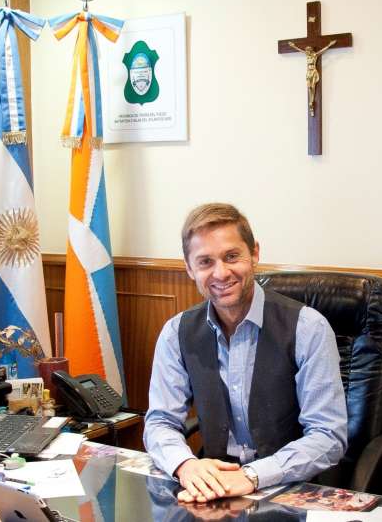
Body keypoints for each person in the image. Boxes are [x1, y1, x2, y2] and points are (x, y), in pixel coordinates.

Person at [144, 203, 347, 504]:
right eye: (205, 262)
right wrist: (184, 464)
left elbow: (328, 436)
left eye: (231, 256)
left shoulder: (308, 328)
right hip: (214, 492)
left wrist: (252, 476)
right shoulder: (177, 332)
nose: (220, 273)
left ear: (254, 254)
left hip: (288, 490)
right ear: (189, 268)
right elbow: (160, 421)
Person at [288, 40, 337, 116]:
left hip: (313, 72)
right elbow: (300, 50)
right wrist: (293, 46)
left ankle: (311, 101)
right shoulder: (307, 55)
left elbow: (322, 51)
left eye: (308, 50)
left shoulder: (315, 55)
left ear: (310, 50)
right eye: (306, 50)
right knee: (309, 87)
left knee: (313, 86)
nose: (307, 51)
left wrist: (329, 45)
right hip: (308, 73)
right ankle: (310, 102)